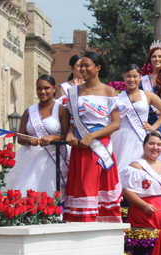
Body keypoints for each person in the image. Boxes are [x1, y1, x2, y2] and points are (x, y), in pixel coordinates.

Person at [63, 52, 122, 222]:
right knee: (82, 187)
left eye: (86, 65)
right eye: (80, 66)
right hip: (80, 146)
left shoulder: (109, 91)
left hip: (99, 145)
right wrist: (69, 134)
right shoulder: (73, 92)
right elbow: (73, 120)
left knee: (97, 188)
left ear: (98, 67)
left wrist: (92, 136)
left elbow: (115, 123)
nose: (82, 69)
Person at [4, 74, 70, 196]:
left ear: (54, 89)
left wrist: (53, 137)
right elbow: (20, 137)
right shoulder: (29, 111)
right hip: (30, 159)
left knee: (51, 195)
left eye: (46, 88)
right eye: (39, 88)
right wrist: (30, 140)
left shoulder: (61, 110)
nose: (43, 91)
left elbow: (67, 136)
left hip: (54, 158)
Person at [113, 64, 161, 174]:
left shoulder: (147, 95)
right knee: (119, 168)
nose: (132, 79)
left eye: (135, 76)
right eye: (128, 76)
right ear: (124, 77)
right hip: (121, 137)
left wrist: (154, 126)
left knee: (143, 169)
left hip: (141, 136)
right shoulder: (118, 98)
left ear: (140, 77)